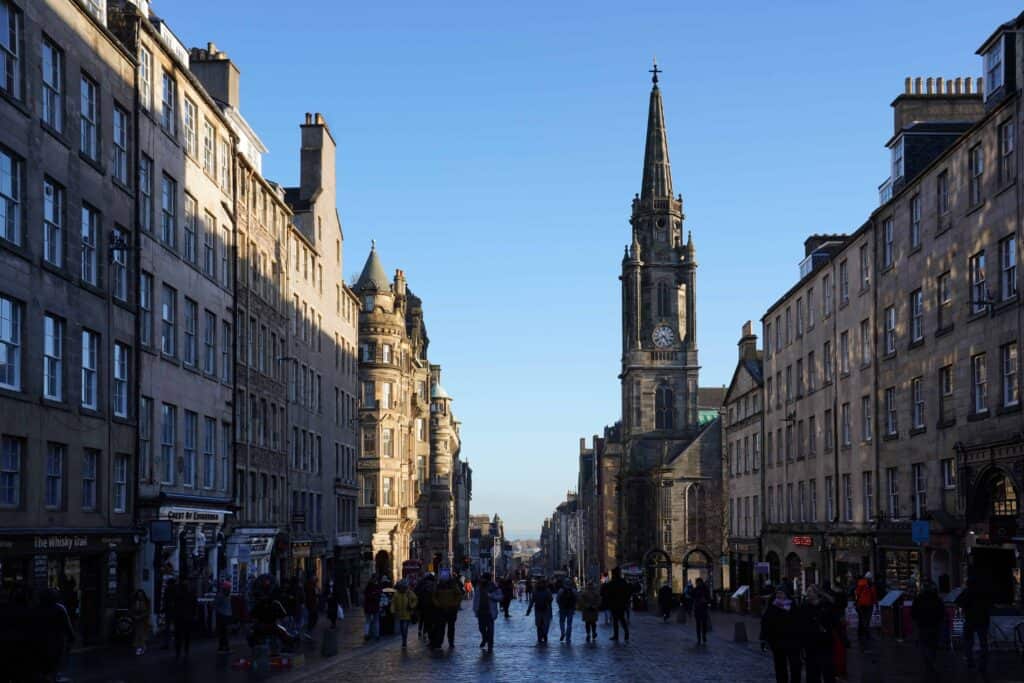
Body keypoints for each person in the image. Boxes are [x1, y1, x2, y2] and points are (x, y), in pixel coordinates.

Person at [760, 585, 801, 683]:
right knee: (780, 665)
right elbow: (765, 622)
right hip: (777, 641)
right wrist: (764, 638)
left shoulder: (792, 606)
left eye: (781, 593)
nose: (779, 595)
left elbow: (798, 621)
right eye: (778, 593)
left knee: (795, 665)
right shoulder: (772, 605)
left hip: (792, 640)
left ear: (786, 594)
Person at [800, 584, 837, 683]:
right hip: (810, 643)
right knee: (812, 671)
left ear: (816, 593)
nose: (807, 593)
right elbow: (801, 624)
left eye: (810, 591)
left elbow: (833, 621)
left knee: (827, 669)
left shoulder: (826, 605)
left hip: (825, 641)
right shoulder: (804, 606)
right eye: (807, 591)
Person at [911, 579, 944, 679]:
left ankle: (929, 663)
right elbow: (942, 612)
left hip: (923, 625)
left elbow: (913, 613)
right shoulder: (937, 599)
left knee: (924, 644)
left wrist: (917, 621)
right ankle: (932, 661)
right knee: (933, 645)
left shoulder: (918, 599)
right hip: (934, 625)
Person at [960, 577, 992, 674]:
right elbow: (989, 604)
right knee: (983, 642)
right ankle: (983, 663)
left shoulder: (967, 592)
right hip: (982, 620)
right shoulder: (983, 593)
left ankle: (970, 661)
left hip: (970, 620)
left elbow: (960, 602)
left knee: (969, 642)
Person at [433, 571, 463, 649]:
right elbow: (434, 596)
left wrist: (454, 604)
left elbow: (459, 595)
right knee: (441, 627)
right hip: (441, 609)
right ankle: (440, 642)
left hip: (451, 610)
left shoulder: (453, 585)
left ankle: (451, 642)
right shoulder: (438, 586)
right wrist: (437, 604)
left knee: (450, 627)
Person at [473, 573, 502, 652]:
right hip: (480, 611)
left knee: (490, 630)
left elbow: (500, 597)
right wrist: (475, 609)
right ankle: (485, 638)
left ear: (487, 579)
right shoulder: (478, 586)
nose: (482, 580)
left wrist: (491, 596)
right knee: (481, 628)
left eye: (483, 578)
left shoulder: (494, 587)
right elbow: (476, 598)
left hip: (490, 611)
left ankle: (490, 645)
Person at [604, 567, 631, 642]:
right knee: (622, 619)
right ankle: (626, 633)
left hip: (614, 604)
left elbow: (607, 593)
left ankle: (616, 635)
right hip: (622, 603)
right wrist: (626, 600)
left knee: (616, 620)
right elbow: (628, 592)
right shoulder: (623, 582)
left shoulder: (612, 583)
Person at [172, 581, 196, 658]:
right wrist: (194, 615)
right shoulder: (191, 595)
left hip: (179, 618)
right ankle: (186, 650)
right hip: (188, 618)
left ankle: (178, 652)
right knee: (187, 636)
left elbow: (174, 606)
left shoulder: (177, 595)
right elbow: (194, 606)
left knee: (178, 636)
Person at [391, 580, 418, 648]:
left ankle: (404, 641)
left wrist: (411, 605)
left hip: (407, 614)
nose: (402, 588)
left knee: (404, 628)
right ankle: (404, 639)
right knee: (402, 628)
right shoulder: (396, 594)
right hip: (399, 614)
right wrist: (393, 611)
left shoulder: (409, 593)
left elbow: (415, 599)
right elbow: (393, 603)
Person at [525, 578, 554, 644]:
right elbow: (532, 601)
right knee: (540, 624)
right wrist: (529, 610)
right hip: (540, 610)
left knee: (543, 624)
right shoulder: (543, 591)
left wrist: (528, 610)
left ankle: (543, 635)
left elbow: (550, 600)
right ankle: (542, 636)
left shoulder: (544, 591)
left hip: (543, 610)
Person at [853, 571, 876, 645]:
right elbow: (873, 595)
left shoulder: (861, 584)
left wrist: (856, 601)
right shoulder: (867, 585)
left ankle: (861, 633)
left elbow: (856, 593)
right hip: (866, 604)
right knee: (865, 620)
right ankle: (866, 634)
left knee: (863, 619)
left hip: (864, 604)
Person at [556, 578, 577, 643]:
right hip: (570, 609)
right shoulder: (573, 590)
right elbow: (577, 599)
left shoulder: (561, 590)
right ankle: (568, 637)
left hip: (562, 608)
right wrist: (574, 607)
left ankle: (562, 632)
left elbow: (557, 599)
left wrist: (560, 605)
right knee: (569, 624)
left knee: (562, 621)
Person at [131, 589, 151, 656]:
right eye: (139, 594)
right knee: (138, 634)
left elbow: (147, 611)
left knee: (141, 634)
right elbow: (132, 610)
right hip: (137, 620)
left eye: (141, 594)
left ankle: (141, 647)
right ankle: (140, 647)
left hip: (143, 620)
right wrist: (134, 616)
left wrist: (141, 616)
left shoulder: (146, 601)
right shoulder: (135, 602)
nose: (140, 596)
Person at [691, 577, 711, 645]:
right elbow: (692, 596)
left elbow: (709, 598)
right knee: (698, 624)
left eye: (699, 582)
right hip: (697, 609)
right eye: (697, 583)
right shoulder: (695, 589)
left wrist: (706, 601)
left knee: (704, 624)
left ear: (701, 582)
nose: (698, 584)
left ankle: (704, 636)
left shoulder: (705, 589)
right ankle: (699, 638)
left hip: (703, 608)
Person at [214, 581, 232, 653]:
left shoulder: (221, 595)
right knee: (225, 632)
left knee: (223, 632)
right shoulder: (224, 595)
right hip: (225, 615)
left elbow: (215, 604)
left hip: (222, 615)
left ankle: (222, 647)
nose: (229, 589)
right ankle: (225, 647)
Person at [363, 577, 382, 641]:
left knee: (368, 621)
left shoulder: (368, 587)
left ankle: (367, 634)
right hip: (375, 606)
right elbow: (379, 596)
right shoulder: (377, 587)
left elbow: (365, 596)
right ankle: (376, 635)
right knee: (376, 621)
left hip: (368, 607)